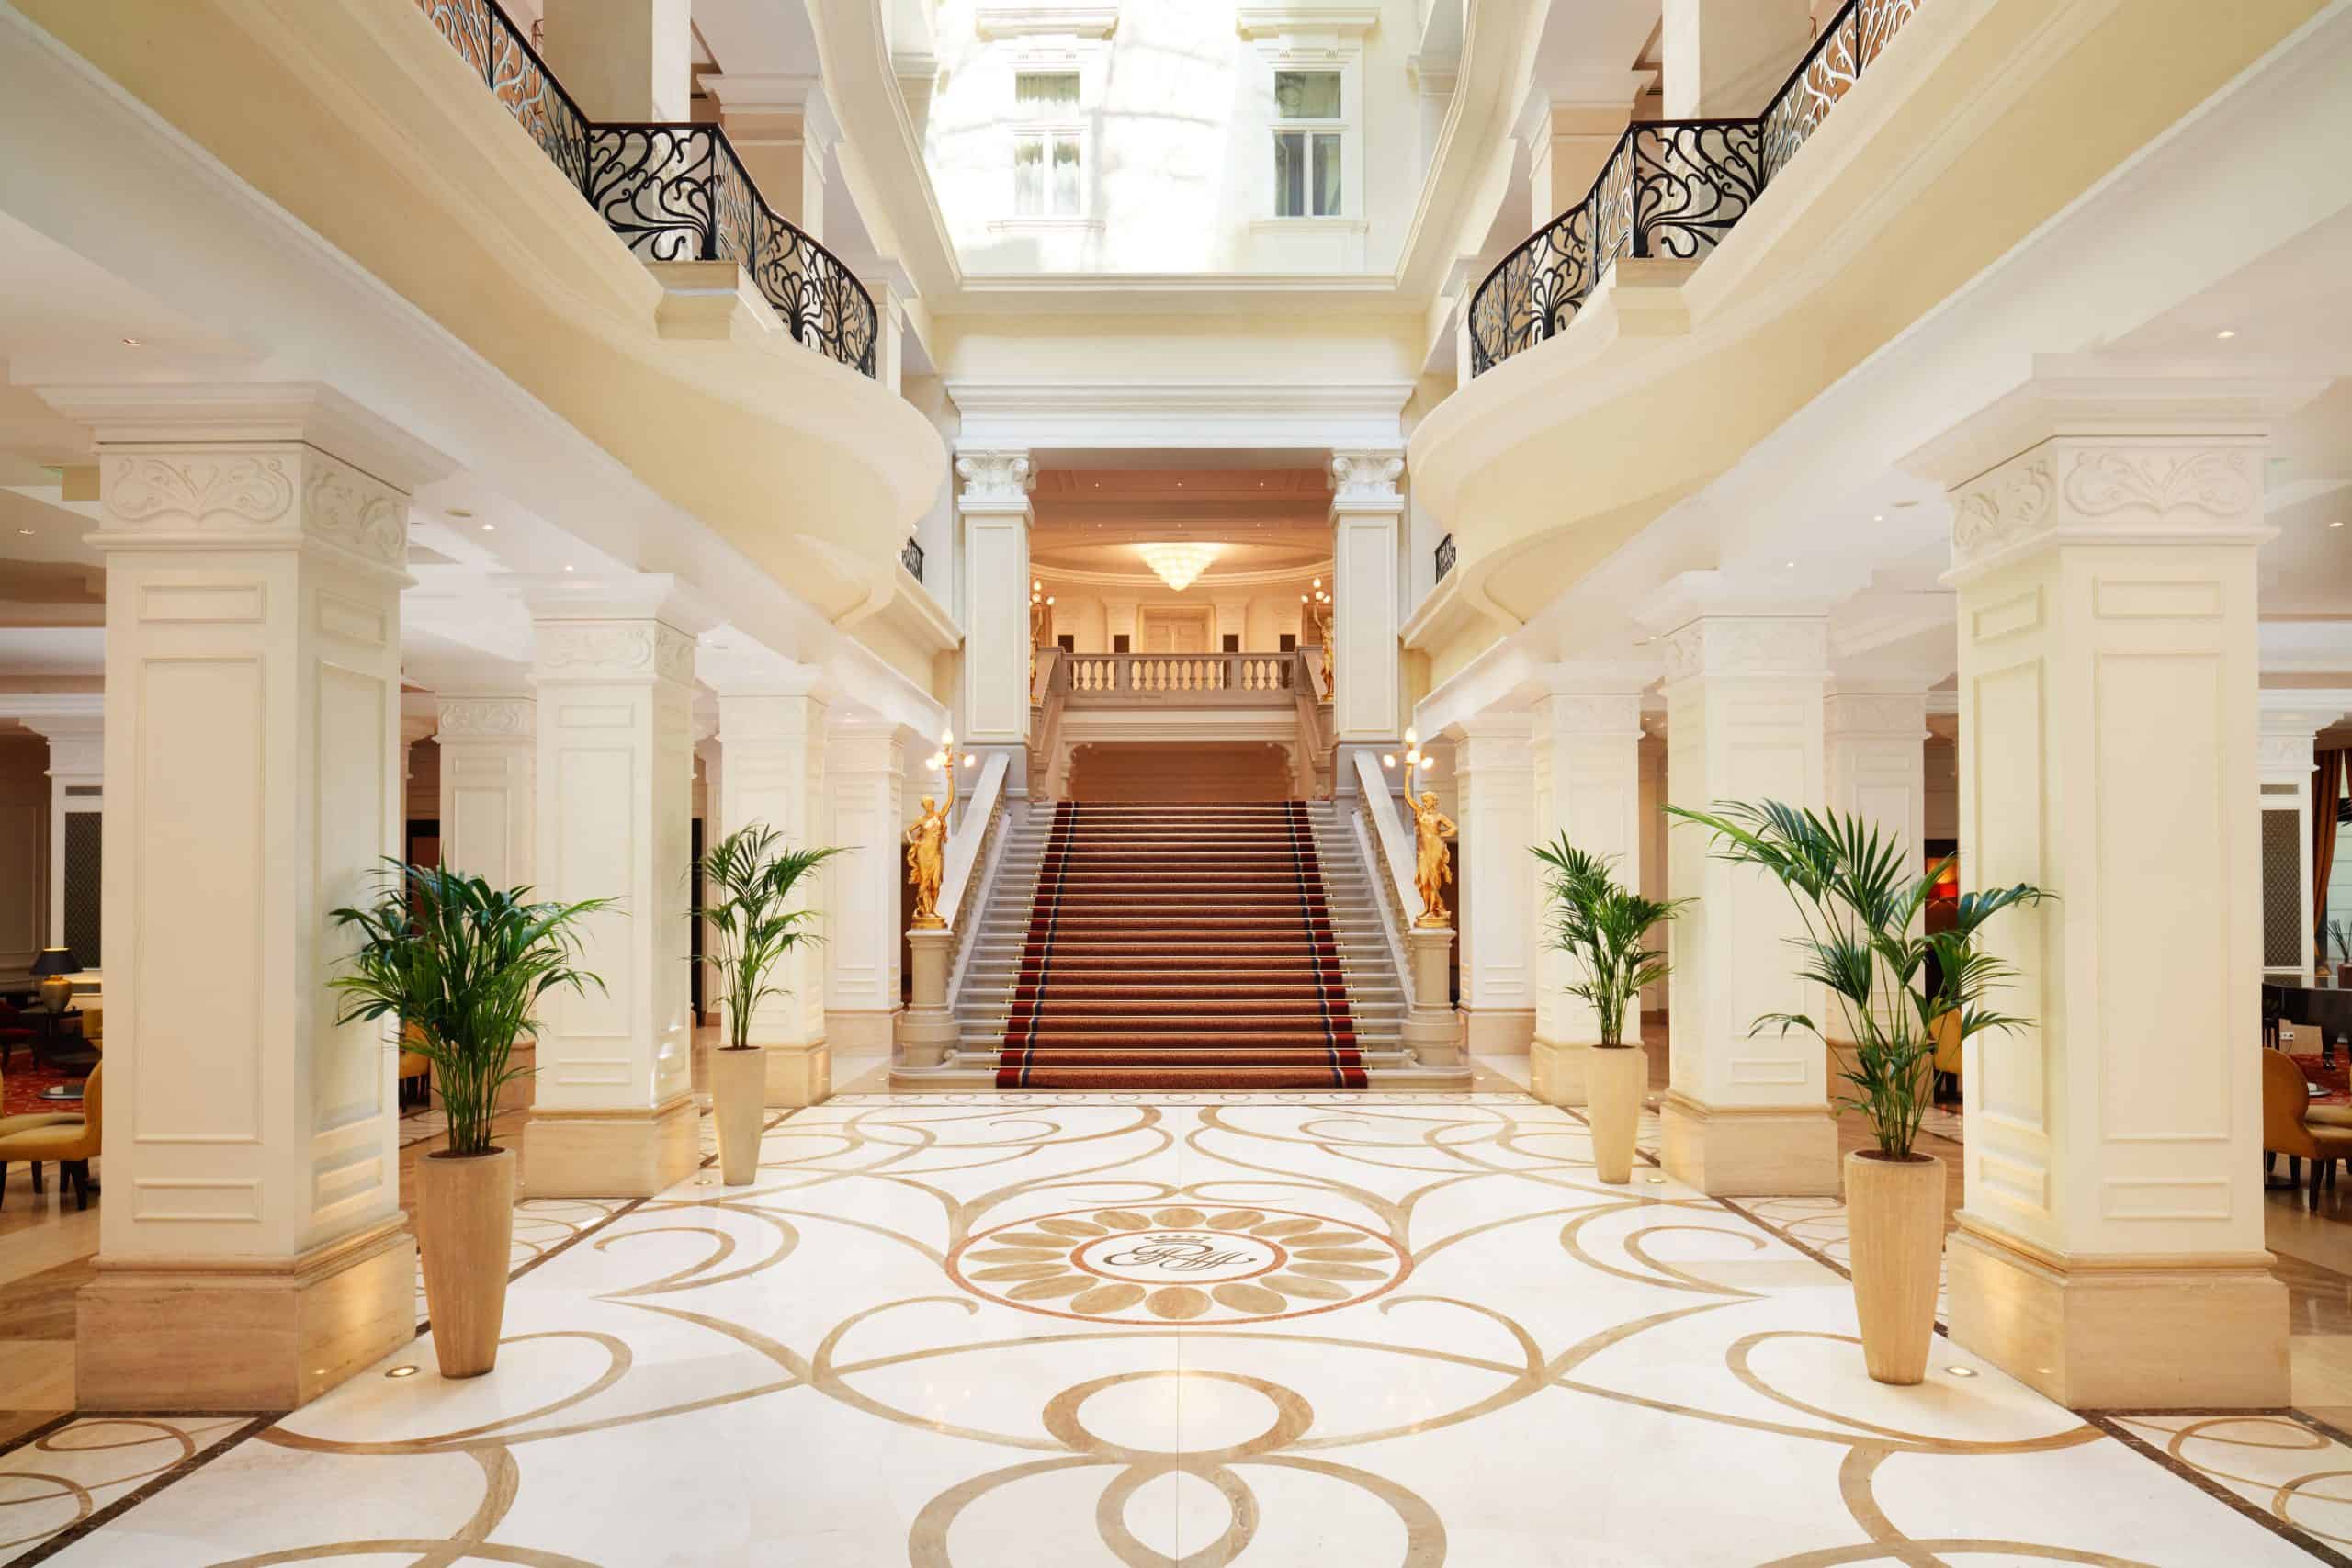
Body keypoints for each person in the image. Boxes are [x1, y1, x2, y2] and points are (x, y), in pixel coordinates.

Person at [1408, 790, 1457, 928]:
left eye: (1427, 800)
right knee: (1424, 880)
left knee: (1434, 878)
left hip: (1435, 848)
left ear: (1434, 801)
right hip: (1424, 850)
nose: (1424, 802)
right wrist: (1407, 772)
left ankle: (1432, 909)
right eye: (1424, 800)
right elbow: (1407, 796)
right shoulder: (1420, 813)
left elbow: (1454, 828)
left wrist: (1440, 835)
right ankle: (1427, 907)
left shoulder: (1439, 816)